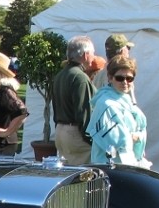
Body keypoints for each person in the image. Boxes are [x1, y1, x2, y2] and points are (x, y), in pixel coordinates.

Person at [87, 56, 148, 166]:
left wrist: (138, 136)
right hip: (109, 165)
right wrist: (135, 136)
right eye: (120, 78)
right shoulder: (105, 103)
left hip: (127, 163)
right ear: (110, 78)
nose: (125, 82)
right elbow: (114, 140)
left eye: (129, 78)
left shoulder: (126, 100)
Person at [51, 35, 96, 165]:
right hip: (75, 134)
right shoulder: (80, 77)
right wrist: (91, 140)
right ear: (86, 55)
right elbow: (84, 113)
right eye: (92, 54)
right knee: (84, 179)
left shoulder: (61, 74)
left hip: (61, 131)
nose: (93, 57)